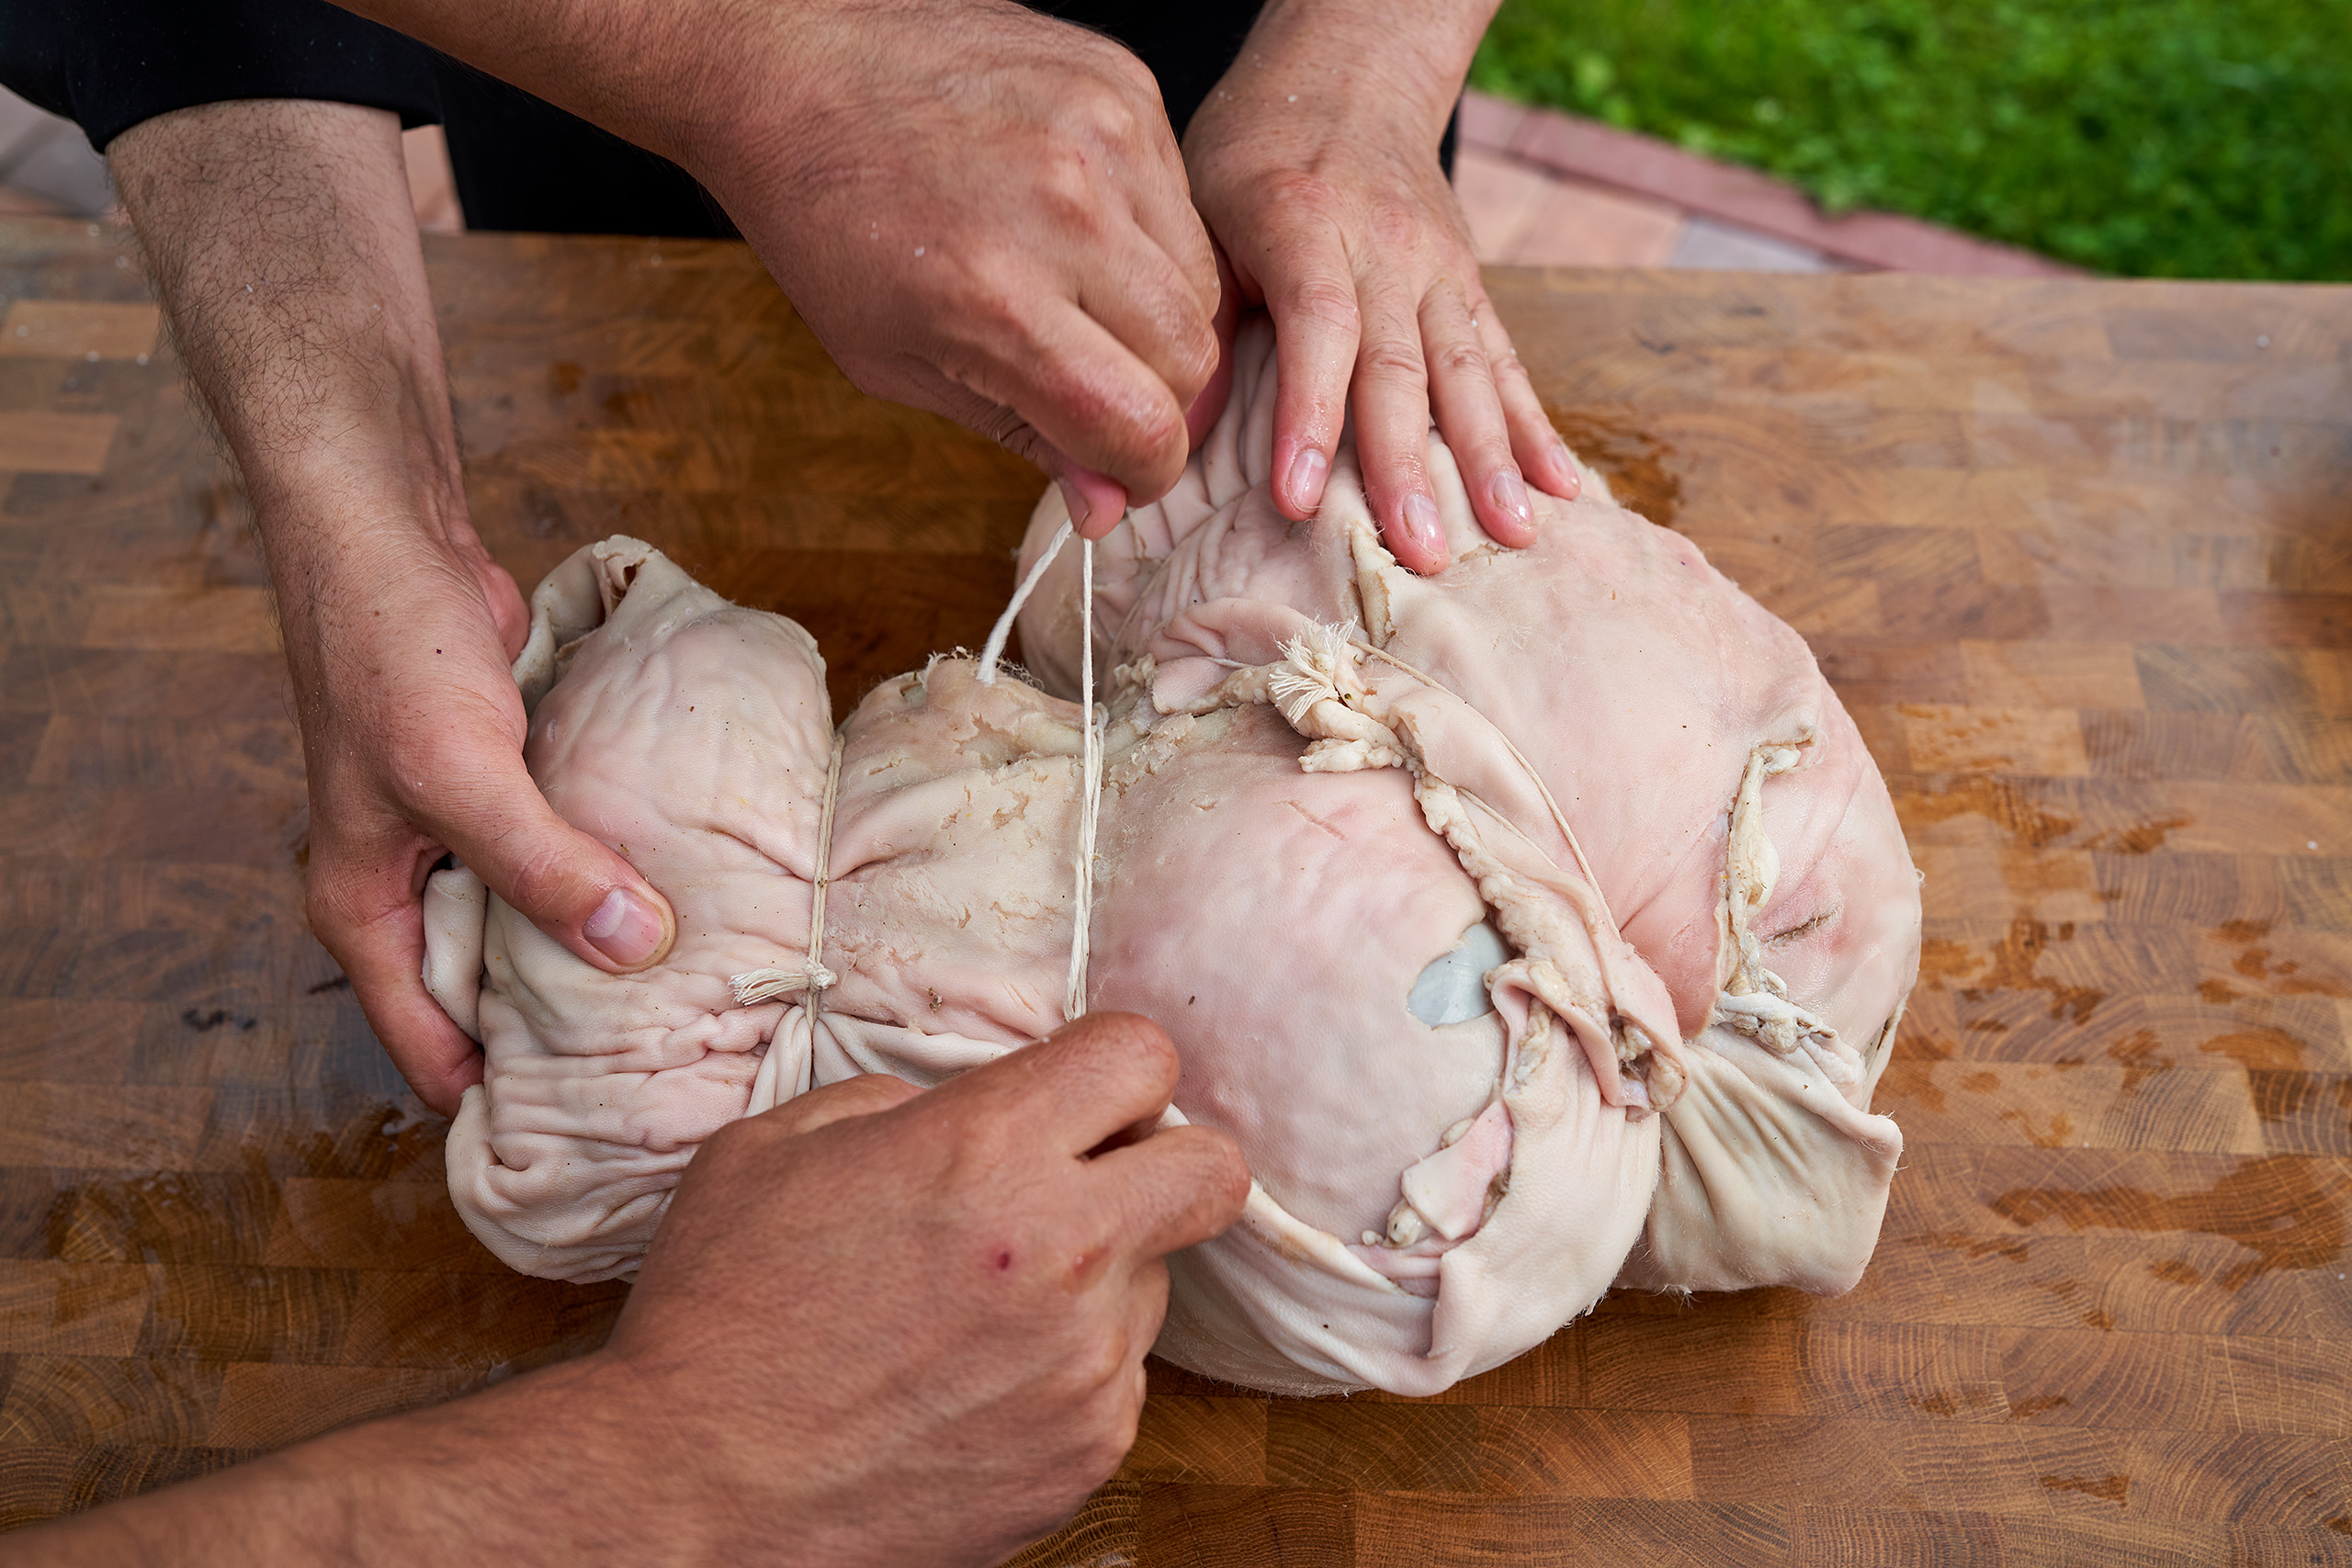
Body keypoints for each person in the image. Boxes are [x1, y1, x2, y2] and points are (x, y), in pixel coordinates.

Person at [0, 1, 1569, 1557]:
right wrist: (736, 75)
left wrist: (1360, 74)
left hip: (1252, 157)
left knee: (1294, 429)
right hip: (612, 127)